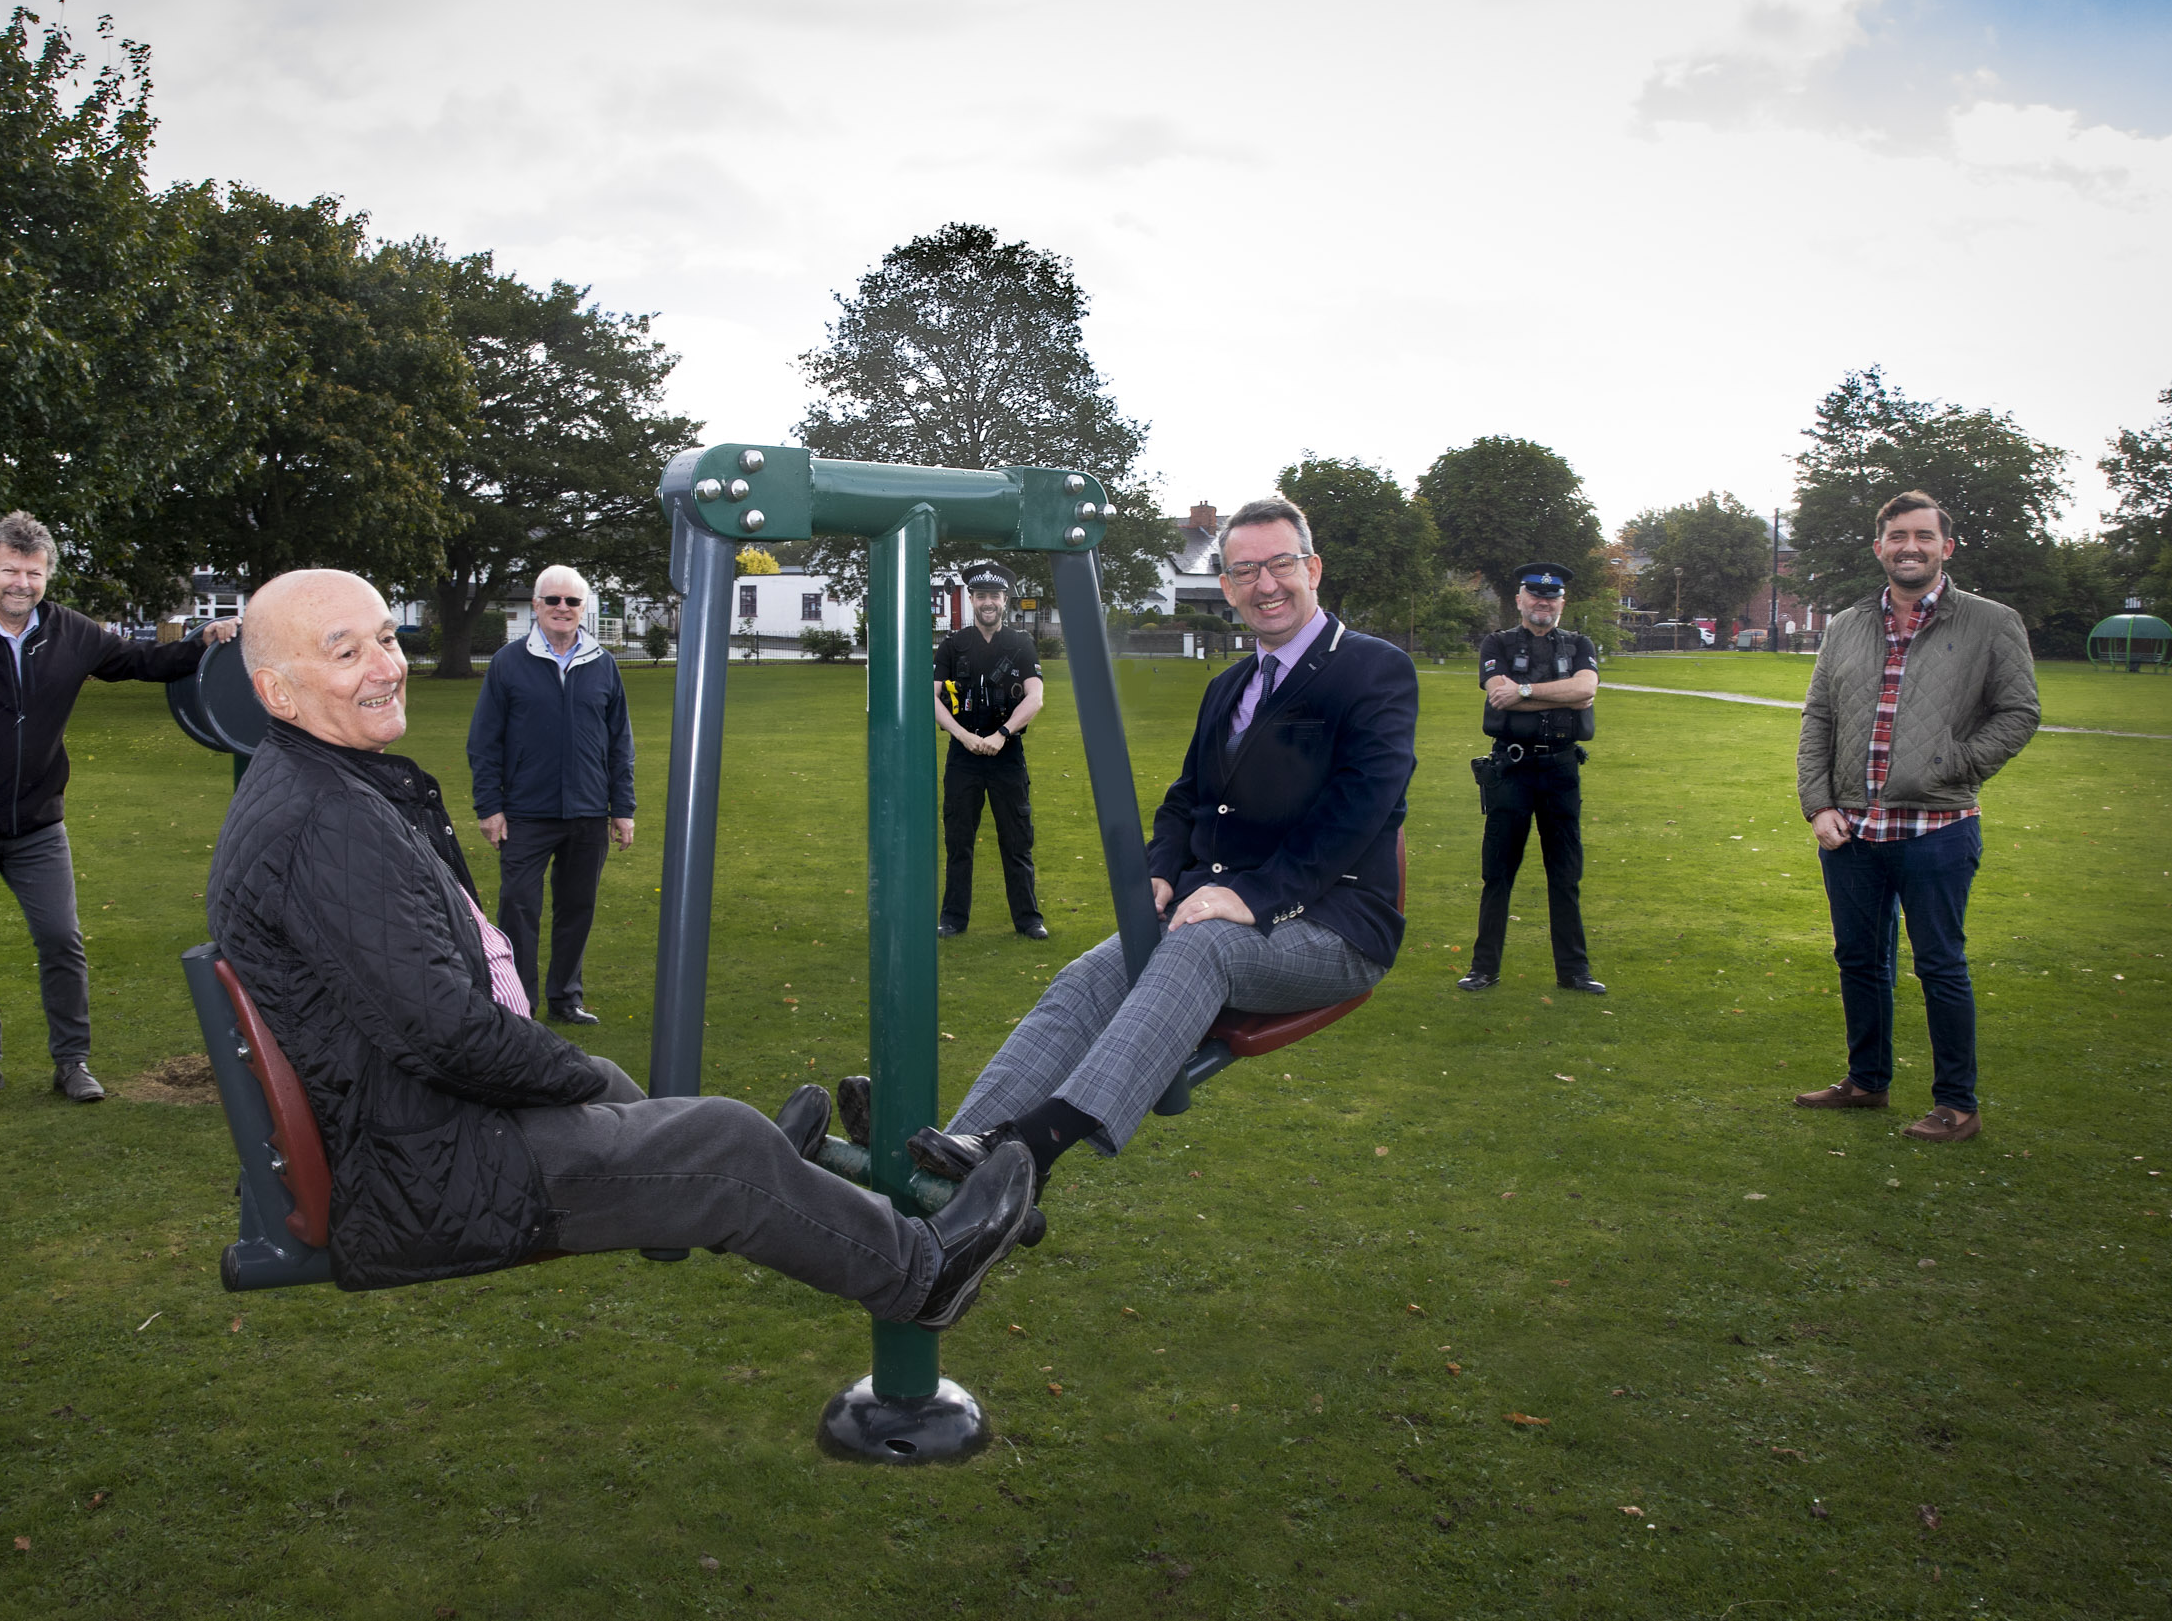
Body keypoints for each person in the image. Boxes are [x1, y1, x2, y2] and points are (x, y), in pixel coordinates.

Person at [204, 567, 1032, 1324]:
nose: (386, 666)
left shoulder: (323, 782)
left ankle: (786, 1176)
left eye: (386, 637)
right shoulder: (327, 820)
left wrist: (569, 1074)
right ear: (277, 690)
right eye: (345, 652)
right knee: (721, 1144)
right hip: (422, 1165)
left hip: (414, 1119)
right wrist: (556, 1068)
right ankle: (923, 1271)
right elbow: (443, 1033)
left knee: (629, 1092)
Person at [835, 497, 1416, 1223]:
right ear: (1228, 586)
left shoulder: (1372, 671)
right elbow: (1182, 802)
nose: (1265, 584)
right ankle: (956, 1148)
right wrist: (1160, 873)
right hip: (1212, 907)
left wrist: (1260, 895)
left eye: (1279, 564)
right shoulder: (1228, 687)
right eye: (1244, 570)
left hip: (1334, 924)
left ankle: (1029, 1149)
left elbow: (1359, 806)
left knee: (1199, 949)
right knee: (1088, 975)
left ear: (1312, 568)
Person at [0, 511, 237, 1105]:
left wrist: (201, 641)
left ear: (47, 574)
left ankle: (72, 1062)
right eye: (9, 570)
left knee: (60, 940)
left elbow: (138, 662)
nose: (21, 583)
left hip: (37, 827)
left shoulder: (70, 632)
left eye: (33, 572)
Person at [1793, 491, 2039, 1142]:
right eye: (1896, 536)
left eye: (1922, 536)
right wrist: (1816, 804)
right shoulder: (1845, 624)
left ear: (1944, 547)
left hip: (1937, 831)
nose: (1909, 546)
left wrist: (1954, 764)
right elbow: (1817, 717)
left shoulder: (1990, 622)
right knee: (1858, 959)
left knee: (1939, 964)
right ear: (1879, 547)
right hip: (1850, 834)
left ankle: (1956, 1105)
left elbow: (2019, 713)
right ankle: (1865, 1082)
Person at [467, 565, 636, 1025]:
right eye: (553, 600)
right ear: (537, 606)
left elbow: (619, 741)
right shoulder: (508, 662)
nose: (563, 608)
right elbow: (484, 741)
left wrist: (622, 809)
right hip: (525, 813)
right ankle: (519, 1004)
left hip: (587, 811)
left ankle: (566, 998)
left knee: (576, 908)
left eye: (572, 601)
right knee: (518, 907)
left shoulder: (602, 662)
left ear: (584, 609)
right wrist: (490, 807)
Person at [1457, 562, 1605, 995]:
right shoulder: (1497, 643)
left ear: (1562, 602)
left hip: (1561, 768)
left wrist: (1524, 692)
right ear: (1519, 600)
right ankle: (1483, 968)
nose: (1544, 603)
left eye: (1552, 596)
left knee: (1565, 873)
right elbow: (1497, 694)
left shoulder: (1579, 644)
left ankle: (1574, 972)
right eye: (1535, 596)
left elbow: (1586, 691)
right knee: (1498, 872)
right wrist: (1559, 694)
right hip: (1512, 769)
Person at [934, 562, 1048, 940]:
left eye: (994, 596)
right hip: (963, 757)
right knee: (958, 842)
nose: (988, 602)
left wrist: (1001, 734)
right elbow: (931, 698)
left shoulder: (1020, 644)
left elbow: (1035, 697)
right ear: (971, 599)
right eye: (981, 595)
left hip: (1007, 756)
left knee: (1017, 841)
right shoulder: (953, 645)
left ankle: (1029, 920)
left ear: (1005, 600)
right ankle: (952, 918)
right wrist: (962, 735)